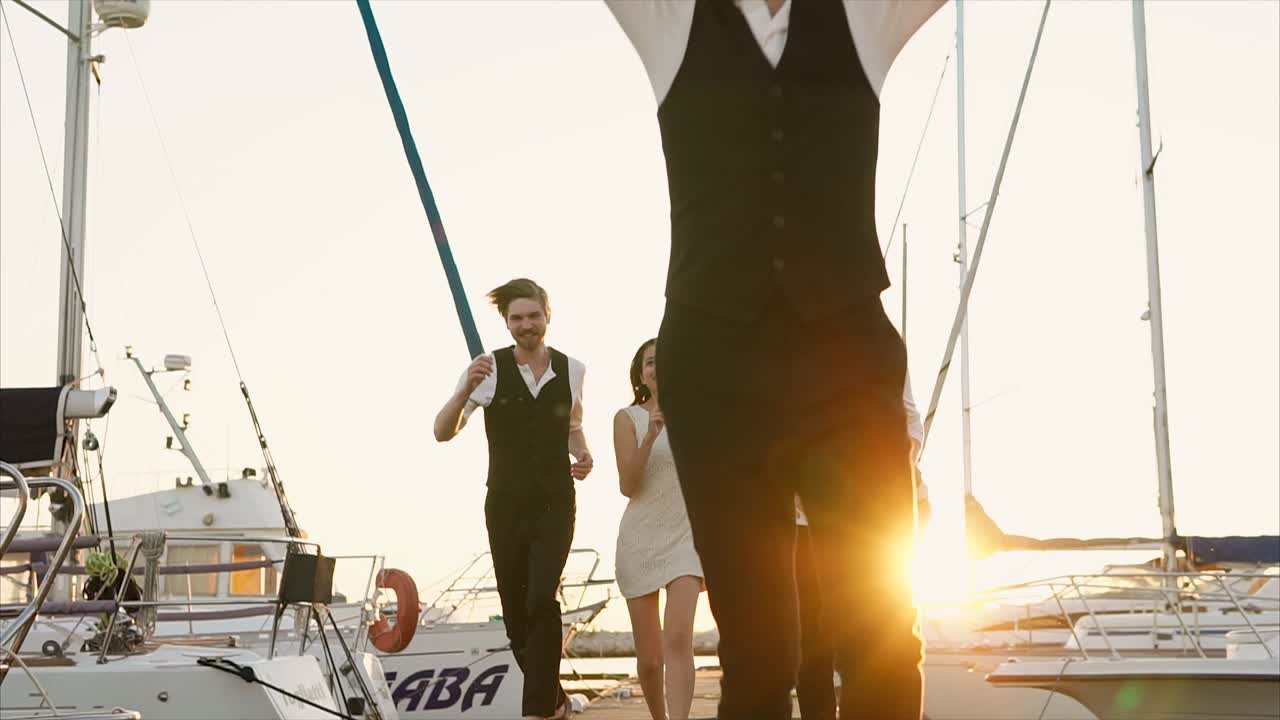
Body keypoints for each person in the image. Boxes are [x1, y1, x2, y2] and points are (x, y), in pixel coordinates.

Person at [605, 2, 946, 718]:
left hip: (847, 358)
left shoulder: (861, 16)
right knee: (758, 653)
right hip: (715, 366)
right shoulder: (674, 19)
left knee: (882, 634)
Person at [433, 278, 593, 720]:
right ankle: (555, 701)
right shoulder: (487, 369)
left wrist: (583, 455)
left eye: (533, 316)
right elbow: (443, 432)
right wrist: (463, 390)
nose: (526, 325)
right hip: (504, 504)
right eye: (517, 318)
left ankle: (536, 712)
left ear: (547, 315)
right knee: (516, 617)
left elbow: (572, 426)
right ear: (506, 322)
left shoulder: (573, 370)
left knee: (542, 599)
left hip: (555, 502)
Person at [794, 374, 928, 720]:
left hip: (876, 520)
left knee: (894, 637)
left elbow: (910, 421)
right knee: (812, 645)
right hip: (804, 522)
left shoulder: (882, 349)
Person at [612, 339, 704, 720]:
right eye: (650, 362)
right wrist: (651, 435)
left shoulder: (701, 414)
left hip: (687, 538)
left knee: (678, 638)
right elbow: (628, 485)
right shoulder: (627, 418)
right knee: (650, 661)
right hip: (640, 540)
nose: (657, 367)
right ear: (641, 373)